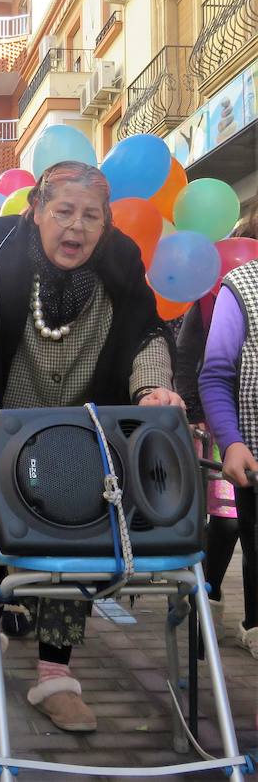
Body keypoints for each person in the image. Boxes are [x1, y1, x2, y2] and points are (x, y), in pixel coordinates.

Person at [0, 161, 181, 732]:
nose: (76, 228)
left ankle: (55, 675)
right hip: (3, 420)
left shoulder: (121, 259)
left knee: (76, 545)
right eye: (64, 211)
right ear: (35, 209)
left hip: (82, 432)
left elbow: (145, 334)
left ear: (105, 223)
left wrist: (154, 388)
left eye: (91, 216)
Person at [176, 206, 258, 641]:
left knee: (238, 525)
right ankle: (204, 606)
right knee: (226, 522)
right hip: (221, 427)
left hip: (230, 425)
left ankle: (249, 621)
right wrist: (197, 417)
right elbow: (193, 360)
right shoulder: (227, 290)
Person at [198, 258, 258, 660]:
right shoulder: (242, 286)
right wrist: (230, 439)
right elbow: (212, 369)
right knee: (224, 527)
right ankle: (205, 609)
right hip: (245, 454)